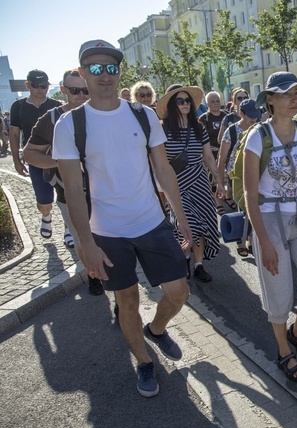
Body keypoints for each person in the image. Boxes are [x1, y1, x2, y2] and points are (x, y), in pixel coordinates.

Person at [53, 39, 193, 398]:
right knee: (127, 300)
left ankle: (157, 329)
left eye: (111, 68)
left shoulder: (142, 114)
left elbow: (162, 169)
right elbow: (71, 188)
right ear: (83, 74)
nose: (105, 75)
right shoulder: (71, 124)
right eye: (95, 69)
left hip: (151, 221)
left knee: (178, 292)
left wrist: (182, 218)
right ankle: (145, 363)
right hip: (107, 231)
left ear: (120, 72)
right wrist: (86, 243)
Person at [244, 72, 297, 382]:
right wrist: (263, 241)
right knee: (279, 296)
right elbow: (250, 195)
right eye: (284, 94)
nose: (294, 99)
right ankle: (282, 348)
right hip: (270, 222)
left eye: (296, 92)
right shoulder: (257, 137)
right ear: (270, 100)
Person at [22, 70, 104, 295]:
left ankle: (119, 291)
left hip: (104, 192)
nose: (81, 95)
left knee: (108, 239)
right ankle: (92, 273)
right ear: (64, 90)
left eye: (85, 90)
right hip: (69, 192)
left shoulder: (103, 112)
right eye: (75, 90)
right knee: (81, 238)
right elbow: (28, 154)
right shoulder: (51, 119)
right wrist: (59, 162)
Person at [156, 84, 221, 282]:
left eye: (188, 101)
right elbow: (158, 163)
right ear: (171, 105)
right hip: (176, 183)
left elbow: (208, 157)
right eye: (180, 101)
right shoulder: (162, 131)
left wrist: (219, 181)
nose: (185, 104)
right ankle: (183, 259)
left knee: (201, 223)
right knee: (187, 225)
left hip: (199, 181)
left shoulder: (198, 129)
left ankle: (198, 265)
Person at [9, 70, 61, 239]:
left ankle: (69, 228)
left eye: (44, 86)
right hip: (36, 159)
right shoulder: (18, 106)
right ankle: (46, 217)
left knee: (67, 195)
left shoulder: (57, 104)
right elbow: (14, 134)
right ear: (27, 85)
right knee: (44, 200)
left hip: (59, 156)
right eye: (36, 86)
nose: (40, 89)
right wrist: (17, 161)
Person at [216, 98, 261, 256]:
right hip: (237, 176)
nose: (254, 119)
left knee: (256, 206)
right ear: (240, 113)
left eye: (256, 115)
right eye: (250, 116)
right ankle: (241, 240)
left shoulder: (260, 128)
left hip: (257, 172)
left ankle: (251, 240)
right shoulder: (232, 130)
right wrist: (220, 182)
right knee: (243, 207)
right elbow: (222, 158)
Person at [199, 91, 227, 214]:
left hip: (226, 152)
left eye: (217, 101)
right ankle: (218, 203)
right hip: (211, 153)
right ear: (207, 104)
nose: (215, 103)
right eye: (212, 101)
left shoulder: (226, 116)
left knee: (228, 179)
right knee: (215, 179)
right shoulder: (204, 118)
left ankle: (228, 197)